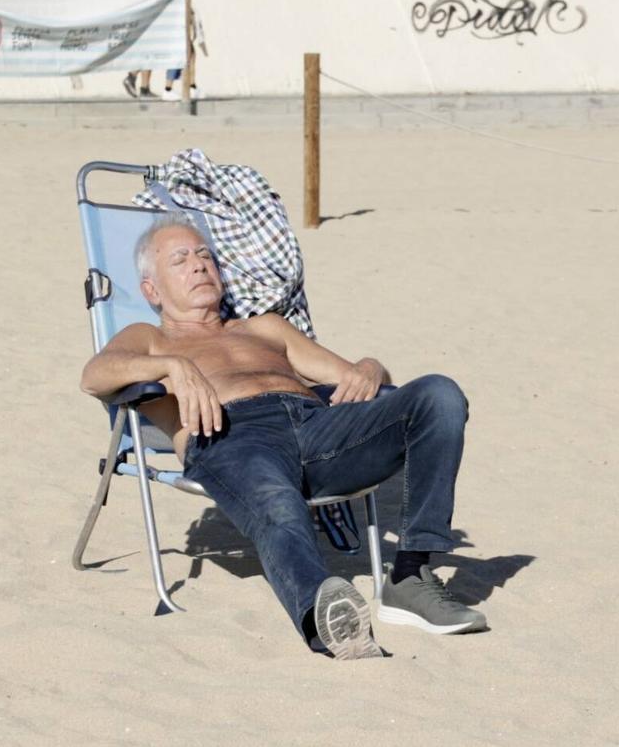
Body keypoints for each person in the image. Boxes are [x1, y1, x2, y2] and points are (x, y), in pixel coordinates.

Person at [80, 217, 488, 660]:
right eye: (180, 260)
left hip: (318, 426)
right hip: (229, 435)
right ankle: (324, 615)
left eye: (204, 255)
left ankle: (410, 577)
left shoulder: (265, 328)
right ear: (152, 292)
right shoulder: (150, 338)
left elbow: (352, 375)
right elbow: (94, 376)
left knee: (438, 395)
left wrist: (372, 366)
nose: (198, 266)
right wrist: (171, 368)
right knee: (277, 504)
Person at [162, 0, 211, 101]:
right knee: (186, 53)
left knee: (188, 53)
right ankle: (173, 88)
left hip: (178, 17)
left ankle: (190, 86)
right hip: (181, 18)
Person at [122, 0, 163, 99]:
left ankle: (145, 88)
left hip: (134, 15)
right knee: (150, 50)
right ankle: (132, 77)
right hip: (148, 14)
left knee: (146, 50)